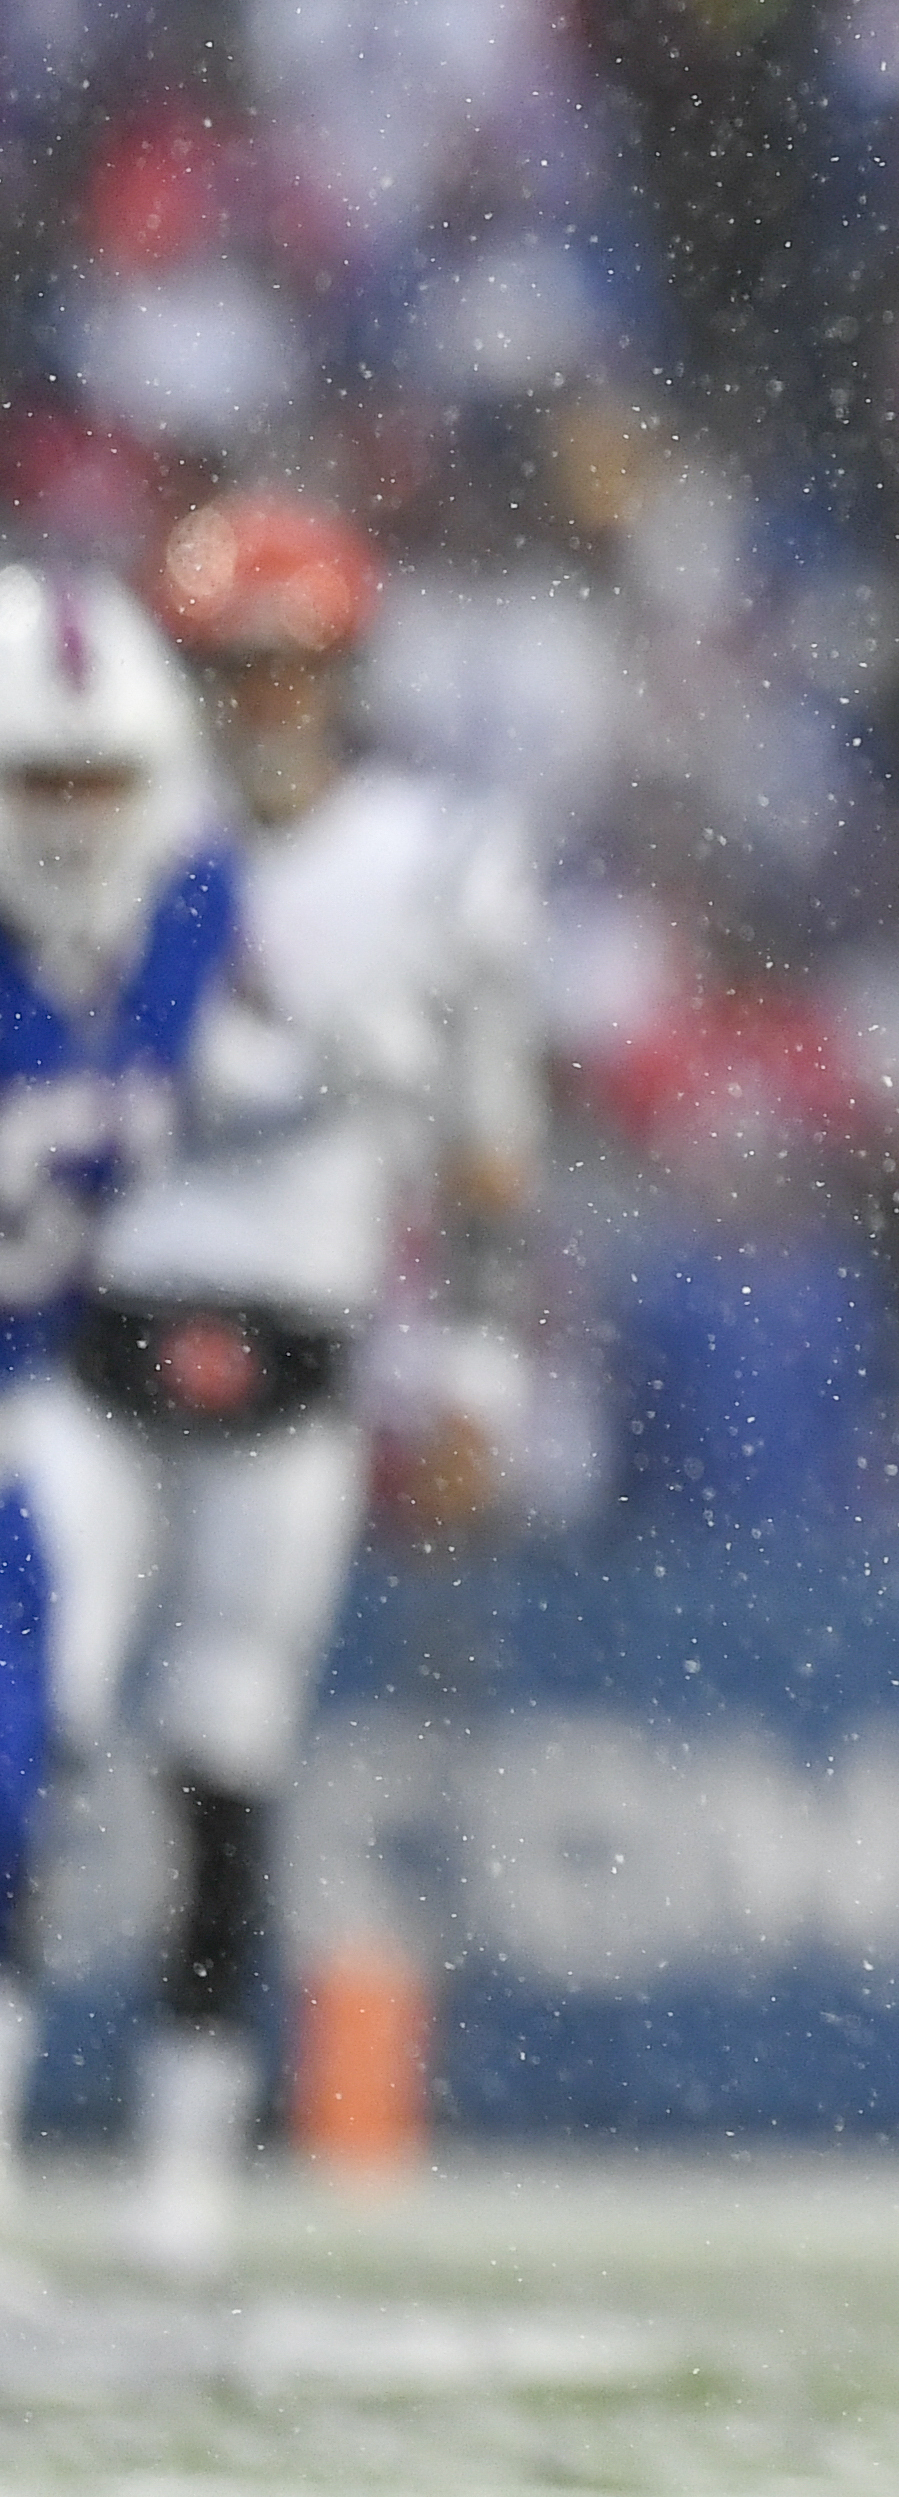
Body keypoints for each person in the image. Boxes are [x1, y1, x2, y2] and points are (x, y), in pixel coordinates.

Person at [5, 497, 539, 2285]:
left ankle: (185, 2165)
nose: (261, 701)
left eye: (290, 664)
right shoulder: (116, 824)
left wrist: (473, 1352)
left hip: (297, 1344)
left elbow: (488, 1147)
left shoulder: (441, 854)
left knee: (223, 1758)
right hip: (100, 1317)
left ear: (346, 666)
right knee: (37, 1727)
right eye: (232, 666)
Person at [0, 569, 250, 2275]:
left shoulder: (195, 907)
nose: (78, 817)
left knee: (17, 1766)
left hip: (21, 1394)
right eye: (42, 780)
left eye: (103, 777)